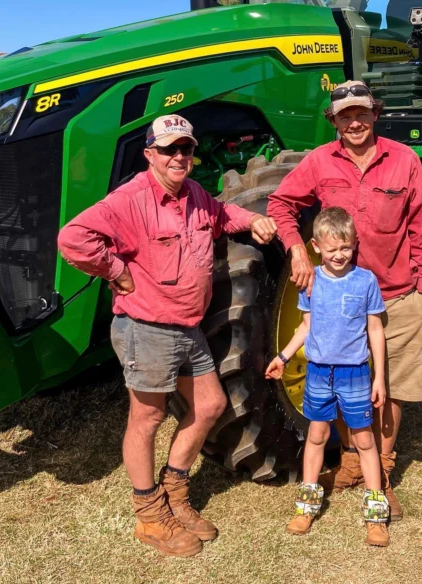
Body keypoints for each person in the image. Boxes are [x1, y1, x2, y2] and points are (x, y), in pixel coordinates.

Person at [58, 114, 277, 558]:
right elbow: (73, 238)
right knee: (147, 419)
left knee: (211, 404)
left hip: (187, 327)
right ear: (150, 154)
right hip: (147, 328)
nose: (179, 156)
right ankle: (150, 517)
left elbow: (220, 213)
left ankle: (175, 493)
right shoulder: (130, 199)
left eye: (186, 149)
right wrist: (116, 271)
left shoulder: (194, 195)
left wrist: (249, 220)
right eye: (169, 149)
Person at [267, 81, 422, 521]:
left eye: (361, 112)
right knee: (346, 380)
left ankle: (378, 474)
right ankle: (349, 463)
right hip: (340, 301)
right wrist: (296, 250)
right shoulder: (319, 162)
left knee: (391, 389)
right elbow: (281, 202)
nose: (355, 122)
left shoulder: (403, 160)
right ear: (334, 121)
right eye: (345, 116)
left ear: (374, 113)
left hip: (398, 294)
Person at [266, 207, 390, 547]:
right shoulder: (311, 282)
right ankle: (306, 506)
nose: (339, 255)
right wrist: (282, 356)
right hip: (319, 374)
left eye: (346, 248)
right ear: (316, 247)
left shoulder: (365, 281)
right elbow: (305, 327)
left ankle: (375, 511)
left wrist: (379, 378)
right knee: (316, 437)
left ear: (354, 245)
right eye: (332, 249)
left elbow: (375, 330)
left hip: (355, 375)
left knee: (364, 440)